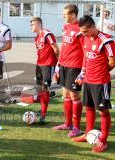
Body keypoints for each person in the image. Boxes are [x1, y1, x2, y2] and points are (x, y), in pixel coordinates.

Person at [72, 15, 115, 153]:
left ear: (92, 27)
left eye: (85, 31)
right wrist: (82, 73)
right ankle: (87, 134)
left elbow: (112, 61)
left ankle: (103, 142)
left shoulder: (106, 40)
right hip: (88, 80)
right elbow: (86, 56)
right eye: (82, 31)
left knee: (103, 111)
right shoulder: (84, 38)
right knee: (89, 107)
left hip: (101, 82)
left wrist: (101, 71)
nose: (83, 34)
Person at [52, 4, 84, 138]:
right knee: (65, 94)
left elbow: (85, 50)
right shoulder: (65, 27)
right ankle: (68, 123)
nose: (63, 16)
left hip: (75, 66)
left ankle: (77, 127)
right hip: (64, 65)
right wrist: (58, 66)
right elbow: (64, 47)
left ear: (73, 15)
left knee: (74, 95)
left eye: (65, 14)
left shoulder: (81, 29)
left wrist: (83, 71)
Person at [30, 17, 59, 123]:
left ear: (38, 24)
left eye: (33, 24)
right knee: (40, 89)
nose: (31, 27)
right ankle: (42, 110)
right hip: (39, 65)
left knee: (45, 88)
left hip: (48, 65)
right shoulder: (36, 38)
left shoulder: (47, 34)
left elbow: (56, 49)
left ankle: (43, 114)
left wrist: (58, 65)